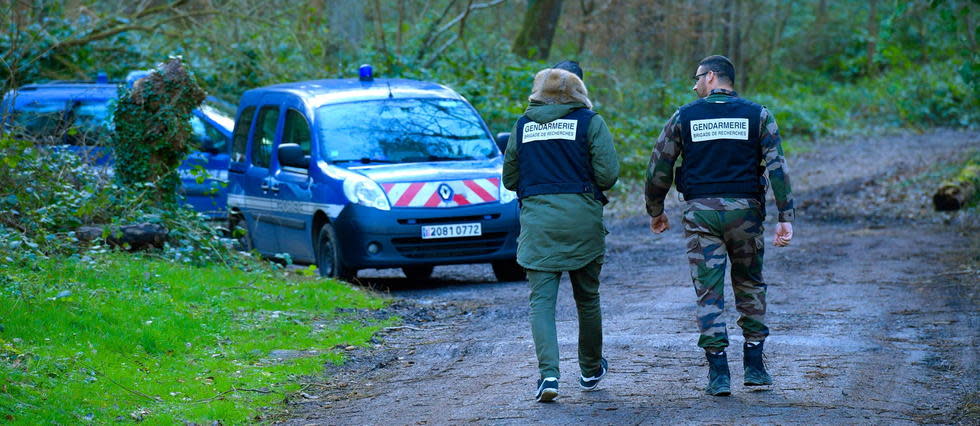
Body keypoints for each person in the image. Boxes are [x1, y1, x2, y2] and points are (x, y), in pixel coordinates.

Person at [645, 55, 795, 396]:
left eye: (698, 78)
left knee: (709, 293)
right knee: (750, 286)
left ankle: (719, 375)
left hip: (701, 215)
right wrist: (786, 216)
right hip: (746, 214)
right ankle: (755, 368)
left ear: (712, 77)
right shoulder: (759, 115)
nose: (695, 85)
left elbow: (659, 166)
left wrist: (655, 208)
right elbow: (778, 169)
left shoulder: (683, 116)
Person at [503, 60, 620, 402]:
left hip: (539, 224)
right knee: (587, 299)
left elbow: (510, 179)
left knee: (541, 303)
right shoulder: (590, 123)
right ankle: (589, 369)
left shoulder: (523, 126)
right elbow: (608, 175)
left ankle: (549, 376)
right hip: (582, 222)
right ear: (578, 90)